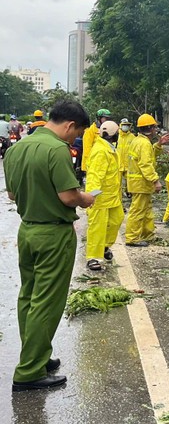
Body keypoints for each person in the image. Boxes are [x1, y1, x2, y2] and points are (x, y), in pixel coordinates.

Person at [3, 101, 95, 391]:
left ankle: (37, 355)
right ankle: (29, 371)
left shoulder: (17, 148)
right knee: (47, 301)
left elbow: (13, 194)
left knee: (29, 297)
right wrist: (86, 198)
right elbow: (69, 197)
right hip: (53, 234)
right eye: (76, 132)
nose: (73, 138)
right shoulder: (56, 149)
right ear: (70, 125)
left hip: (28, 230)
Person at [125, 114, 169, 246]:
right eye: (155, 127)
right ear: (150, 128)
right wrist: (155, 180)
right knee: (138, 210)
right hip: (140, 182)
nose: (156, 130)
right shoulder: (143, 143)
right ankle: (132, 238)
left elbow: (149, 156)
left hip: (138, 182)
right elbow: (146, 164)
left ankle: (147, 234)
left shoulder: (139, 141)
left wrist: (159, 144)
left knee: (146, 210)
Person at [84, 121, 124, 271]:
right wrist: (91, 196)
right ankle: (93, 257)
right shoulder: (101, 151)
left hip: (112, 196)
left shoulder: (109, 149)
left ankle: (105, 246)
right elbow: (95, 175)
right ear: (114, 134)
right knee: (97, 227)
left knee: (117, 219)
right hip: (100, 197)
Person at [81, 108, 111, 173]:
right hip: (92, 164)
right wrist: (89, 165)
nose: (107, 121)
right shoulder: (90, 131)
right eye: (105, 118)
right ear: (99, 118)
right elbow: (87, 149)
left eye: (108, 119)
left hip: (103, 163)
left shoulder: (108, 130)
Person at [117, 118, 135, 192]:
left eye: (127, 125)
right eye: (124, 125)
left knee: (130, 183)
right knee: (117, 183)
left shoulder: (132, 137)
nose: (125, 126)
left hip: (129, 164)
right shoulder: (116, 136)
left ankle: (128, 192)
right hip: (118, 164)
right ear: (120, 125)